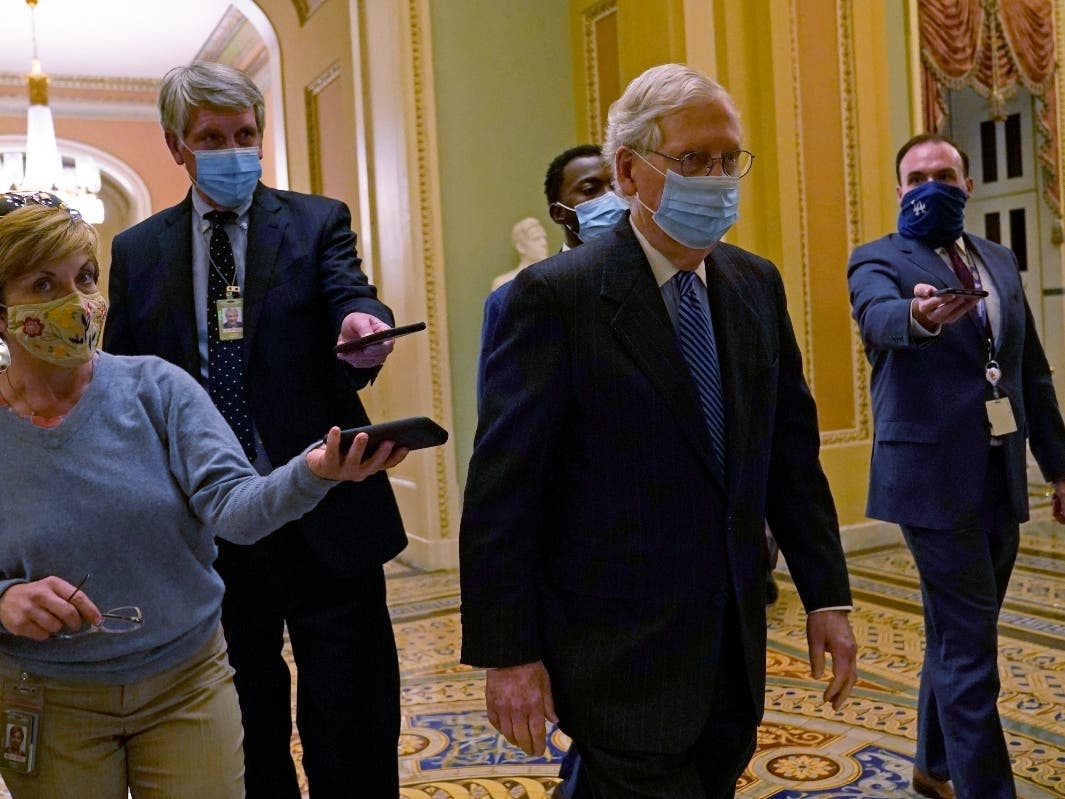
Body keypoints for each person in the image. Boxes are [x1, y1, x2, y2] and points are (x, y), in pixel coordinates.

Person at [460, 63, 858, 799]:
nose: (716, 179)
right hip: (615, 655)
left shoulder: (754, 284)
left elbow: (789, 458)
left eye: (727, 159)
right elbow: (503, 491)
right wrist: (508, 654)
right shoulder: (555, 297)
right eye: (692, 159)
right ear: (627, 171)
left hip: (731, 653)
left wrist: (826, 596)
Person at [0, 196, 407, 799]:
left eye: (84, 277)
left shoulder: (156, 389)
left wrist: (314, 471)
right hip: (47, 693)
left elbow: (233, 506)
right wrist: (4, 598)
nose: (77, 302)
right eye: (43, 284)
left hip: (185, 677)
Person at [103, 62, 408, 799]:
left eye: (245, 134)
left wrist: (362, 326)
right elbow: (124, 380)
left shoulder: (315, 221)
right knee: (244, 733)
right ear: (176, 145)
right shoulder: (137, 251)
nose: (233, 150)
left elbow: (350, 294)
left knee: (353, 723)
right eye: (212, 138)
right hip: (211, 527)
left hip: (326, 509)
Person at [848, 133, 1065, 799]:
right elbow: (878, 317)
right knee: (970, 649)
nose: (930, 186)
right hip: (929, 483)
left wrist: (1058, 466)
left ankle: (932, 764)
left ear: (966, 185)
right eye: (916, 177)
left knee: (957, 631)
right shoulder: (876, 258)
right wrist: (918, 315)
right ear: (898, 190)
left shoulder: (996, 258)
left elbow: (1029, 371)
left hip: (999, 473)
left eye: (944, 174)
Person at [478, 144, 623, 400]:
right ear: (559, 213)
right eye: (591, 190)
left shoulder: (662, 281)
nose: (610, 198)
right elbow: (500, 407)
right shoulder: (511, 298)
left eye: (616, 187)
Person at [491, 217, 550, 290]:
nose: (544, 243)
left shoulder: (554, 279)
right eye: (536, 239)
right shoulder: (503, 282)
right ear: (521, 247)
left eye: (544, 238)